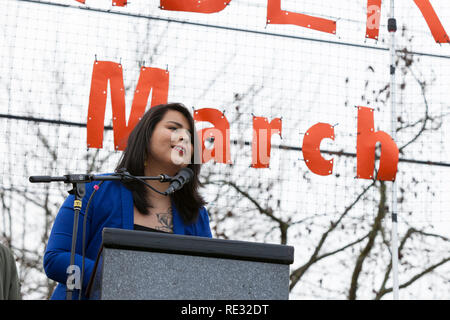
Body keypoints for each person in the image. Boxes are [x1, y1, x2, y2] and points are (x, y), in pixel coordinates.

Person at [44, 103, 212, 300]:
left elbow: (205, 281)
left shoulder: (196, 215)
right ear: (146, 135)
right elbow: (56, 258)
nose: (184, 138)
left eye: (190, 137)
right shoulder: (93, 190)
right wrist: (122, 279)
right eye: (173, 128)